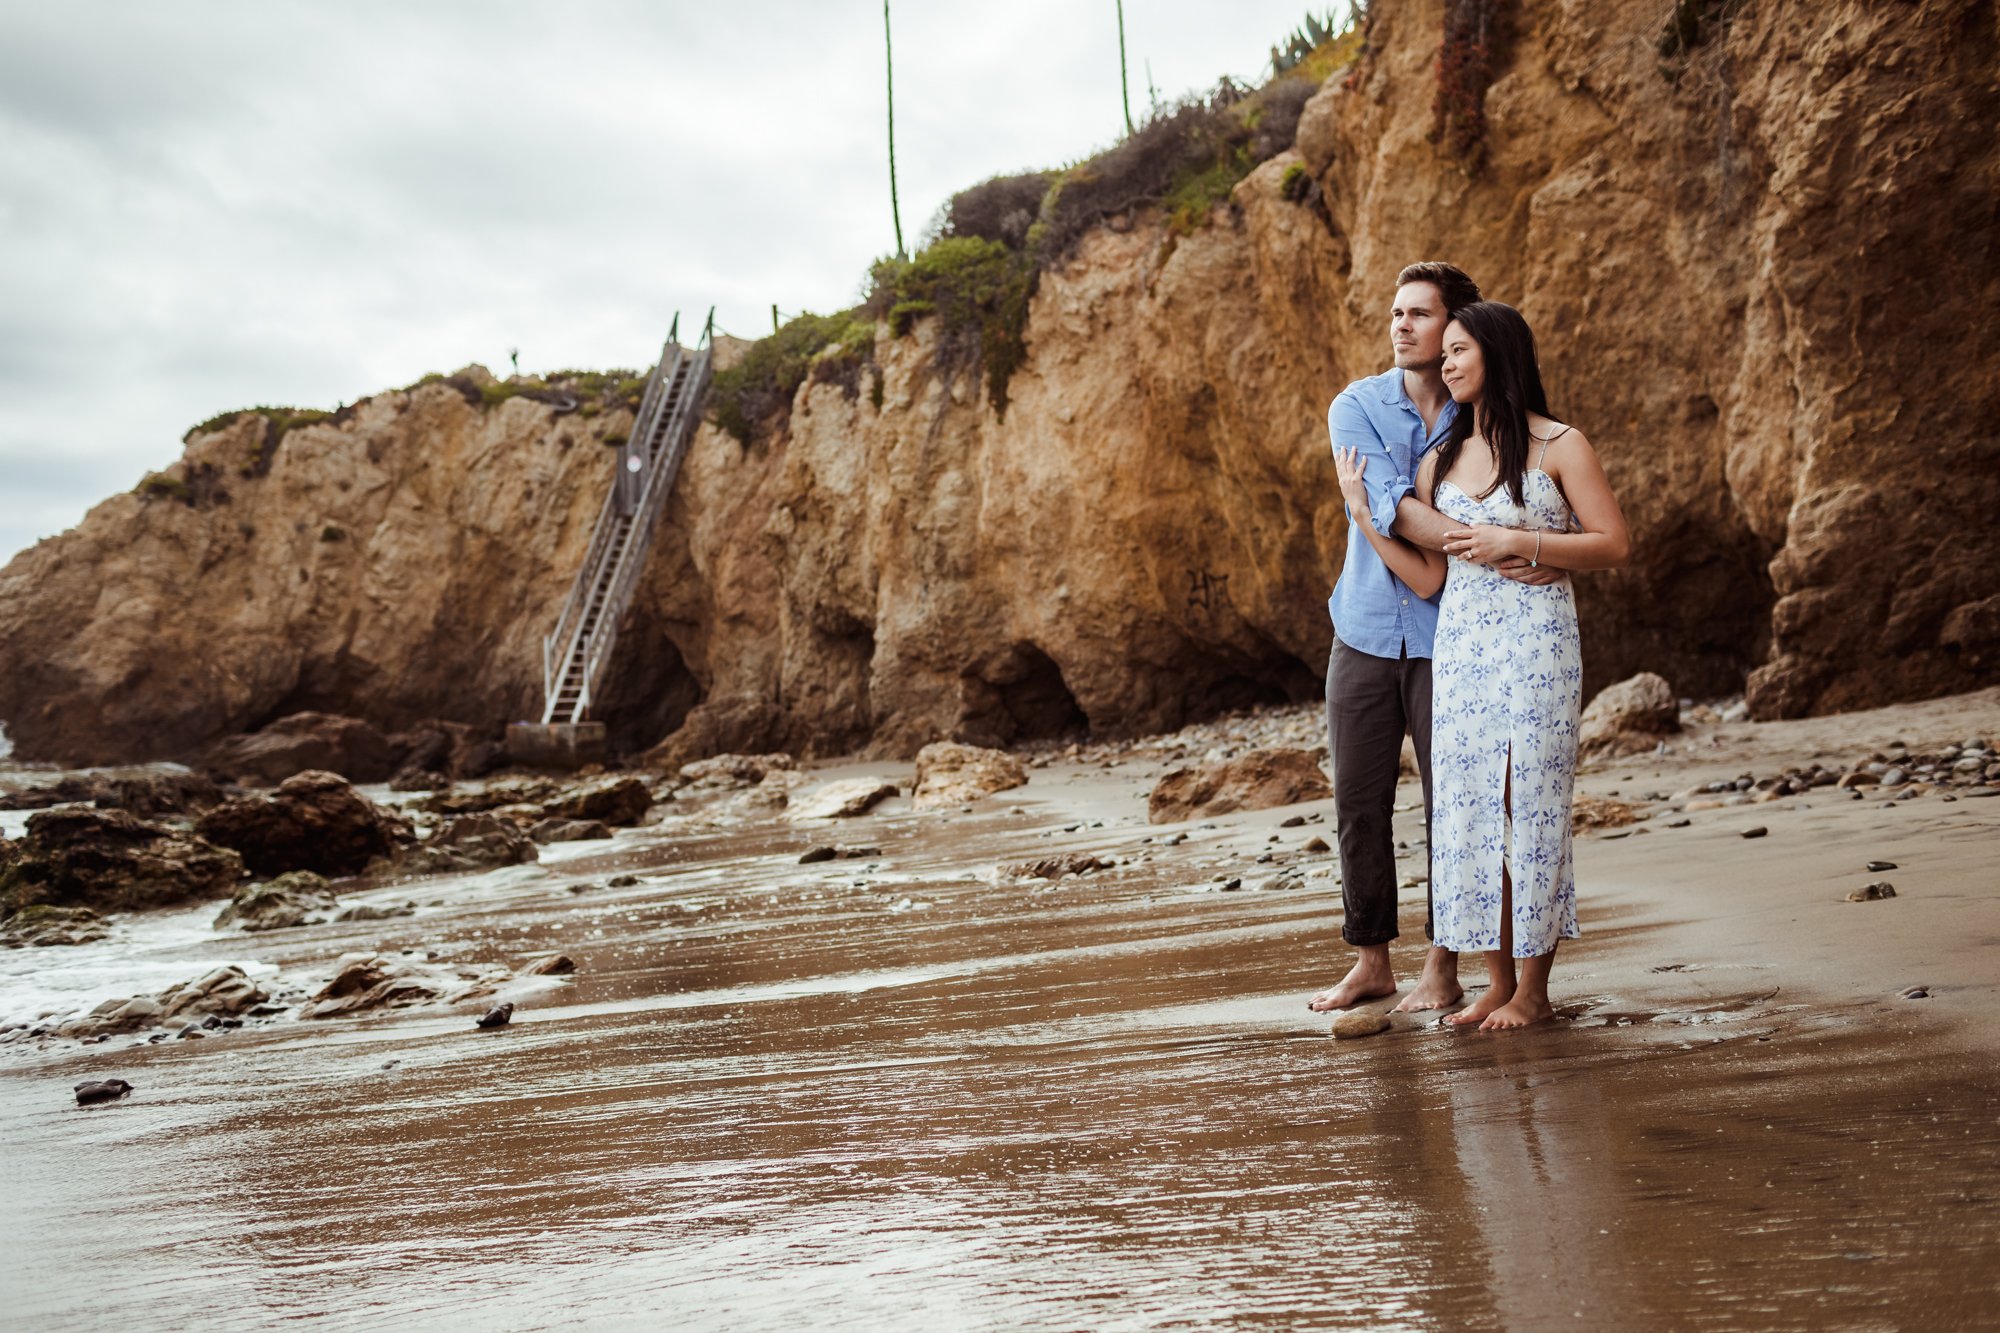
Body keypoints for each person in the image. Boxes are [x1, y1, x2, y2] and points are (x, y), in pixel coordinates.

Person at [1338, 300, 1630, 1029]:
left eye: (1460, 350)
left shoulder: (1560, 445)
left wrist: (1524, 544)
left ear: (1497, 353)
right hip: (1463, 647)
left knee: (1526, 802)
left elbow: (1611, 543)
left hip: (1537, 641)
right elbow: (1433, 577)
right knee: (1472, 811)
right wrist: (1365, 514)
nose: (1448, 364)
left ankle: (1535, 988)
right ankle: (1496, 984)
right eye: (1446, 356)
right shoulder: (1441, 458)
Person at [1310, 261, 1490, 1015]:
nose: (1402, 326)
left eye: (1419, 314)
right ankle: (1372, 960)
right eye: (1396, 313)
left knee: (1450, 805)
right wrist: (1488, 538)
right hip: (1363, 630)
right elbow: (1386, 506)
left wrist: (1483, 539)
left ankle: (1443, 967)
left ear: (1455, 325)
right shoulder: (1355, 406)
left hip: (1453, 633)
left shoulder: (1476, 411)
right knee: (1358, 800)